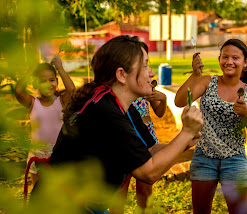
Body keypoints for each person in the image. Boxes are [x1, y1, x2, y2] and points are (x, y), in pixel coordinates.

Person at [31, 35, 203, 213]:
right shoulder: (104, 111)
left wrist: (184, 140)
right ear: (121, 75)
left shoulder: (123, 107)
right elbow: (148, 172)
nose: (151, 73)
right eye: (145, 65)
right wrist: (185, 134)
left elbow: (150, 150)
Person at [175, 39, 247, 214]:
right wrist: (194, 75)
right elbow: (179, 101)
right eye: (225, 57)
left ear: (245, 63)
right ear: (219, 59)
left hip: (234, 159)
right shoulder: (208, 82)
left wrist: (246, 113)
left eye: (235, 58)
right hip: (204, 157)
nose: (229, 62)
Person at [15, 56, 75, 188]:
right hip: (37, 156)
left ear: (57, 81)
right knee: (39, 193)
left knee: (59, 191)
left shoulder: (62, 101)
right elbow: (18, 91)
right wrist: (31, 70)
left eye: (52, 80)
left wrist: (60, 68)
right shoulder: (32, 102)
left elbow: (71, 90)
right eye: (43, 81)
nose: (49, 84)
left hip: (58, 154)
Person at [112, 91, 167, 214]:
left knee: (145, 189)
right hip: (123, 134)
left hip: (145, 135)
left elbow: (159, 112)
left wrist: (163, 99)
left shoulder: (144, 85)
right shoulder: (116, 86)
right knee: (120, 190)